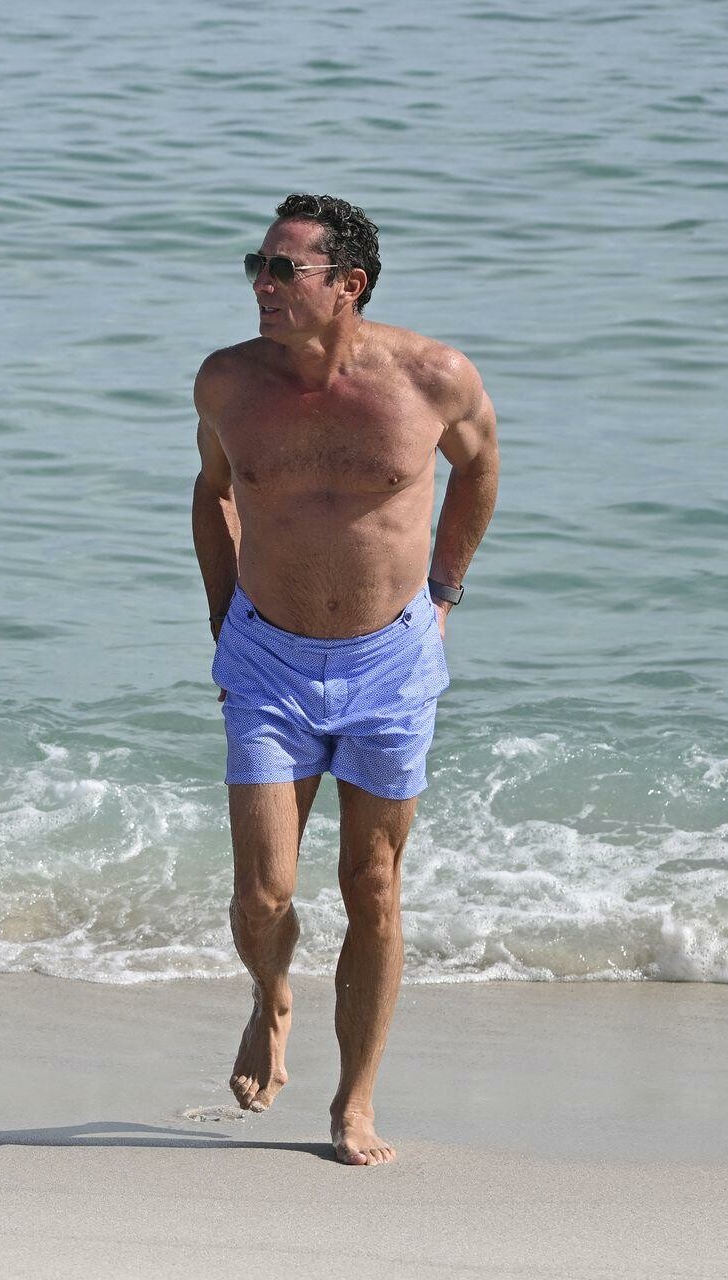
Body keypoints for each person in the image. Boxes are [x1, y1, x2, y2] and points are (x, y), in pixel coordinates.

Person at [192, 194, 499, 1165]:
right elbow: (213, 494)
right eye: (257, 264)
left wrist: (445, 591)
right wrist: (224, 625)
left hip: (390, 662)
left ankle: (353, 1102)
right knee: (261, 894)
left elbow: (480, 469)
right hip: (267, 658)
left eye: (284, 269)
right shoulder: (228, 383)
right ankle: (270, 995)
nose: (262, 283)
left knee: (373, 885)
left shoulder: (433, 378)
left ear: (348, 285)